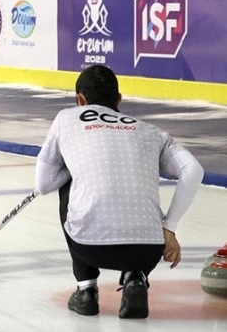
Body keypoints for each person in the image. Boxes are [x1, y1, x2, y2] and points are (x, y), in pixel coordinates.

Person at [34, 65, 203, 319]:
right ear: (119, 100)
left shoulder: (66, 118)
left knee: (68, 184)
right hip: (147, 250)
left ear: (80, 100)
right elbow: (193, 170)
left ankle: (86, 289)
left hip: (89, 246)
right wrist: (169, 228)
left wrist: (76, 167)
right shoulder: (151, 131)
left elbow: (43, 184)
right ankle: (136, 278)